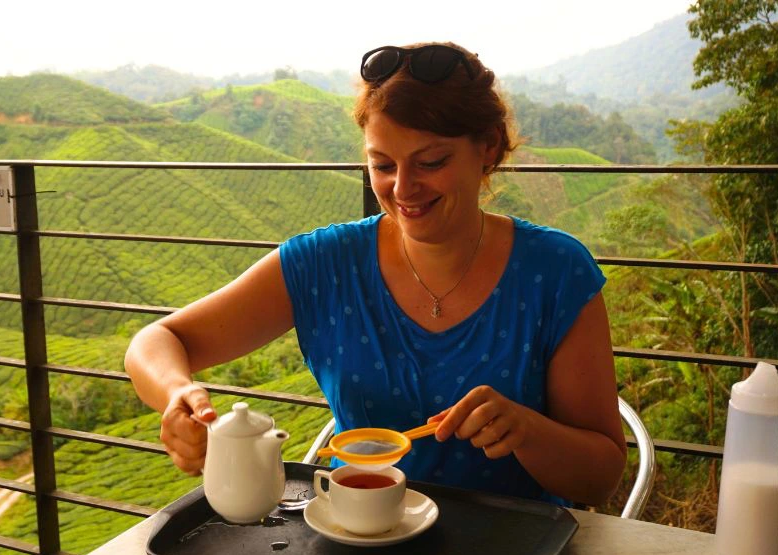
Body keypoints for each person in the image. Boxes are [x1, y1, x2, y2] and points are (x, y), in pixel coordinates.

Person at [124, 42, 626, 508]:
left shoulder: (554, 273)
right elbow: (156, 341)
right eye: (382, 165)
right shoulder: (325, 264)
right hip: (356, 541)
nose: (403, 188)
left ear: (489, 148)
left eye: (430, 161)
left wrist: (528, 431)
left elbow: (601, 477)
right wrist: (176, 397)